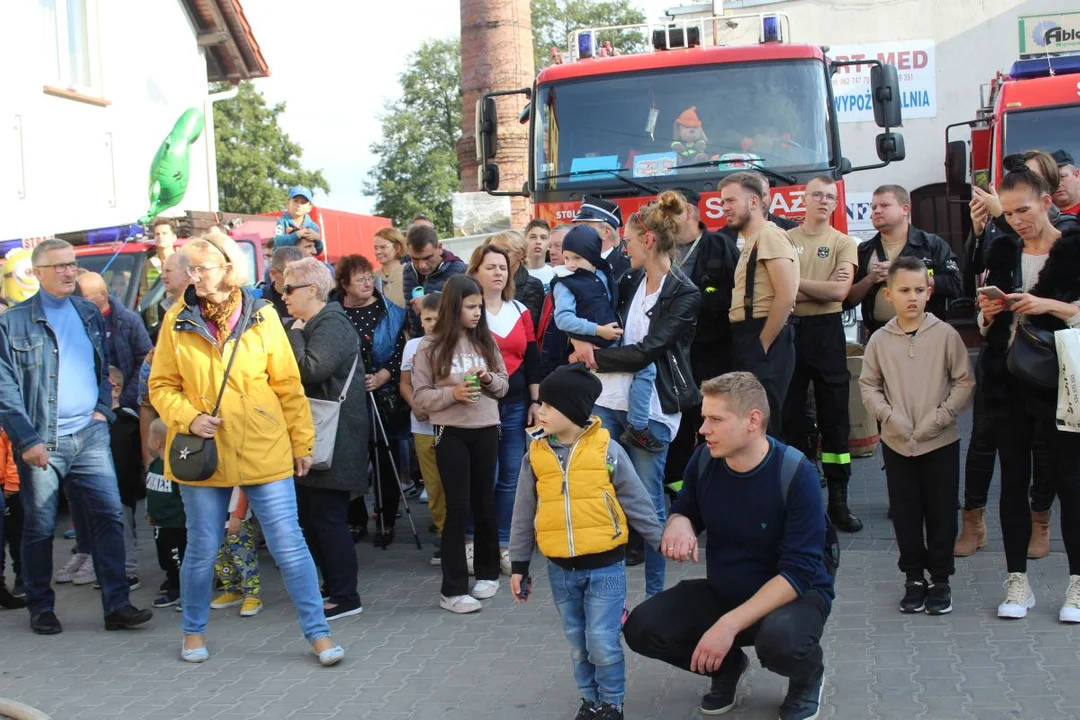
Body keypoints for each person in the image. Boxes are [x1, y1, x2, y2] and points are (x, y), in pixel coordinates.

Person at [148, 233, 342, 665]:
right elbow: (161, 385)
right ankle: (193, 632)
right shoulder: (176, 320)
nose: (195, 276)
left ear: (227, 268)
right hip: (204, 450)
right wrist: (188, 417)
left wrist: (302, 442)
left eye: (203, 267)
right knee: (201, 548)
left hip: (264, 446)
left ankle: (319, 634)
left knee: (290, 545)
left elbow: (288, 384)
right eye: (190, 269)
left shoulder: (262, 314)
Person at [623, 372, 833, 720]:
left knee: (781, 643)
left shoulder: (796, 473)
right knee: (642, 627)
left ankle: (808, 676)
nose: (703, 428)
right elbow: (685, 508)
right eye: (705, 418)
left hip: (793, 595)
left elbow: (798, 574)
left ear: (753, 421)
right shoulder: (705, 459)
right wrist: (679, 525)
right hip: (726, 589)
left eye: (715, 419)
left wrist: (726, 626)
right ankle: (728, 666)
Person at [0, 238, 151, 635]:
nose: (69, 272)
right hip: (42, 441)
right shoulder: (12, 322)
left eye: (71, 265)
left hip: (90, 433)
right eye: (59, 266)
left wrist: (103, 409)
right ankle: (41, 607)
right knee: (39, 525)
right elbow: (5, 389)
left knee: (108, 516)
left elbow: (103, 366)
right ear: (37, 273)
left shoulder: (86, 311)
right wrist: (26, 440)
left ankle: (117, 605)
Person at [508, 363, 664, 720]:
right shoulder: (535, 455)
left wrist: (663, 541)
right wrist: (519, 566)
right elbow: (521, 514)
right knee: (579, 644)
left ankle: (611, 703)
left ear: (574, 410)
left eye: (548, 405)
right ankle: (589, 700)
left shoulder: (607, 450)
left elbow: (637, 502)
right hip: (560, 571)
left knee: (603, 642)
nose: (540, 410)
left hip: (607, 566)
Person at [568, 191, 700, 593]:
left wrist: (593, 360)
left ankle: (656, 594)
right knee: (602, 494)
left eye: (627, 240)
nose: (623, 247)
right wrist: (581, 340)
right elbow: (602, 322)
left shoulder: (685, 292)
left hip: (655, 406)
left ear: (650, 241)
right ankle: (608, 590)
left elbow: (649, 350)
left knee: (648, 504)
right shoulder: (628, 280)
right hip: (609, 399)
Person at [974, 169, 1080, 622]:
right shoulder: (1000, 248)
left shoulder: (1075, 249)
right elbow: (987, 328)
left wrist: (1048, 306)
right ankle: (1017, 582)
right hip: (1008, 380)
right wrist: (987, 312)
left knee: (1071, 483)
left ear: (1046, 201)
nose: (1016, 220)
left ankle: (1077, 585)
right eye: (1010, 211)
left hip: (1061, 382)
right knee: (1013, 481)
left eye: (1024, 209)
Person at [859, 256, 975, 615]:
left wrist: (940, 418)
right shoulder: (879, 340)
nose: (913, 297)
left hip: (940, 440)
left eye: (919, 290)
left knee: (941, 512)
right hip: (897, 442)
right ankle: (913, 577)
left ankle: (940, 579)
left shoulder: (945, 335)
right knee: (907, 514)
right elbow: (869, 385)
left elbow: (964, 381)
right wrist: (887, 416)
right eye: (904, 290)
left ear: (929, 292)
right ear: (888, 294)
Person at [411, 275, 509, 614]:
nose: (477, 312)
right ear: (454, 307)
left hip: (486, 428)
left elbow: (504, 385)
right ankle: (452, 591)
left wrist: (488, 379)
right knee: (457, 508)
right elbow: (421, 397)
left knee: (485, 504)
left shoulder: (486, 340)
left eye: (480, 306)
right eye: (470, 306)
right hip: (449, 432)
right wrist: (452, 394)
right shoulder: (430, 346)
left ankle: (487, 572)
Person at [284, 257, 368, 621]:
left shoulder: (330, 322)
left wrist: (294, 331)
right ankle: (333, 587)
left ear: (313, 290)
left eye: (290, 289)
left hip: (334, 437)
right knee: (314, 516)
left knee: (328, 517)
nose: (283, 296)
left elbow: (310, 368)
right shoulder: (321, 321)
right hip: (322, 435)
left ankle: (346, 596)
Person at [781, 176, 862, 533]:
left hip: (828, 334)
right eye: (818, 194)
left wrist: (794, 284)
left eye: (831, 197)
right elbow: (776, 290)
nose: (824, 201)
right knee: (792, 419)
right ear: (805, 198)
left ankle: (839, 502)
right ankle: (801, 501)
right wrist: (814, 290)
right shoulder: (785, 239)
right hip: (791, 331)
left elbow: (840, 292)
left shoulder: (844, 243)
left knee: (835, 419)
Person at [552, 226, 662, 454]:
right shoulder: (565, 283)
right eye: (566, 258)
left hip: (609, 343)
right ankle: (638, 425)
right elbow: (562, 319)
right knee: (646, 368)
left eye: (577, 258)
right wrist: (596, 331)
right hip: (599, 344)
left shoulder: (604, 274)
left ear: (592, 255)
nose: (571, 264)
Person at [468, 245, 542, 575]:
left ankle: (503, 544)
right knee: (483, 476)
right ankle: (471, 542)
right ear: (475, 272)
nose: (499, 272)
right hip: (476, 406)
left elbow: (532, 359)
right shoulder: (468, 311)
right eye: (491, 267)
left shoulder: (520, 310)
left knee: (511, 478)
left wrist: (536, 401)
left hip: (514, 405)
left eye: (503, 267)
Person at [665, 188, 740, 496]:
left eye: (673, 212)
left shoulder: (720, 246)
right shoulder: (659, 249)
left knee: (716, 424)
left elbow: (736, 297)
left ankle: (725, 492)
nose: (665, 219)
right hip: (671, 358)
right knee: (678, 430)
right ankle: (682, 498)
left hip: (714, 355)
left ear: (692, 213)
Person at [333, 254, 408, 547]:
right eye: (360, 278)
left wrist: (383, 376)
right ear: (344, 284)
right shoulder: (333, 312)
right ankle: (355, 519)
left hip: (384, 396)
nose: (367, 282)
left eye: (369, 277)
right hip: (346, 397)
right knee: (350, 459)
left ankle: (387, 520)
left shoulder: (389, 311)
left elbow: (402, 349)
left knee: (384, 460)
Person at [722, 171, 799, 437]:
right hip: (751, 337)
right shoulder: (753, 240)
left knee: (765, 424)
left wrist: (762, 343)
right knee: (755, 423)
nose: (724, 208)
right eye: (723, 202)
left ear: (754, 202)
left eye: (731, 200)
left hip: (764, 335)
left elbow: (786, 294)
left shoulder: (770, 235)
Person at [847, 184, 961, 339]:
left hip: (926, 334)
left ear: (905, 209)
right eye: (873, 208)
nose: (877, 211)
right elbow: (848, 300)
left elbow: (955, 284)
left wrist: (905, 276)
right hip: (880, 334)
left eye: (885, 205)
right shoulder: (864, 250)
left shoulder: (931, 244)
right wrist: (870, 279)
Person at [400, 294, 447, 566]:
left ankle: (460, 535)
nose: (432, 324)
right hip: (423, 426)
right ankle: (443, 533)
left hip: (450, 423)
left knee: (452, 482)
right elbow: (405, 383)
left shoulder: (454, 345)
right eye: (427, 319)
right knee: (434, 484)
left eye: (437, 319)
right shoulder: (413, 347)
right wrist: (415, 405)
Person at [76, 272, 153, 413]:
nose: (79, 301)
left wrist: (122, 400)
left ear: (103, 294)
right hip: (91, 407)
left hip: (127, 406)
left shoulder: (129, 321)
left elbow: (145, 362)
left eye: (84, 297)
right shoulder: (77, 324)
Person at [108, 365, 145, 588]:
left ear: (116, 389)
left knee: (125, 529)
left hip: (124, 486)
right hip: (105, 484)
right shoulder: (95, 420)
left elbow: (135, 457)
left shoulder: (128, 420)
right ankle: (111, 568)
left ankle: (129, 570)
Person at [145, 418, 187, 610]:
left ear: (156, 443)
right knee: (164, 557)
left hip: (176, 525)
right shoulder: (154, 466)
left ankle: (182, 591)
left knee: (176, 558)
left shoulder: (175, 466)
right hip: (160, 523)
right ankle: (172, 581)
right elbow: (153, 494)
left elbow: (181, 497)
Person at [402, 224, 467, 334]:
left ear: (440, 247)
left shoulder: (459, 270)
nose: (421, 265)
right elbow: (412, 318)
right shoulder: (409, 270)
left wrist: (434, 301)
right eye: (415, 259)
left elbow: (466, 310)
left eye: (427, 258)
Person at [210, 488, 263, 617]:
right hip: (214, 517)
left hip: (237, 516)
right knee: (221, 557)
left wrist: (238, 514)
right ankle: (233, 590)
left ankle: (252, 594)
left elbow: (244, 487)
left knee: (244, 557)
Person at [486, 231, 545, 330]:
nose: (498, 256)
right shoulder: (486, 281)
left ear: (521, 254)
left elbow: (529, 325)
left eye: (505, 252)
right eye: (495, 252)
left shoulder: (532, 285)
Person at [573, 196, 630, 282]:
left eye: (585, 228)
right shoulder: (572, 266)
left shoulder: (629, 269)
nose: (578, 233)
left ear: (606, 233)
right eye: (577, 228)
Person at [143, 251, 191, 343]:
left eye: (168, 271)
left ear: (185, 274)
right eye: (163, 271)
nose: (163, 276)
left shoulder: (195, 308)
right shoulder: (164, 308)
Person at [0, 425, 24, 609]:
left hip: (6, 484)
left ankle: (23, 577)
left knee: (16, 534)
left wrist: (13, 481)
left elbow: (13, 445)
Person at [258, 246, 304, 321]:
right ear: (273, 273)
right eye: (289, 273)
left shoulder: (311, 298)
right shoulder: (258, 301)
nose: (298, 279)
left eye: (303, 273)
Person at [274, 186, 324, 256]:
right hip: (285, 263)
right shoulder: (282, 222)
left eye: (303, 202)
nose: (298, 205)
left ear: (309, 207)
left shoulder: (313, 226)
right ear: (288, 204)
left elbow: (317, 251)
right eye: (295, 201)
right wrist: (297, 235)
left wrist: (318, 239)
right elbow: (277, 242)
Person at [373, 227, 408, 308]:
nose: (378, 252)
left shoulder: (409, 273)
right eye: (376, 248)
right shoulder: (372, 276)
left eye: (383, 247)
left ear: (397, 247)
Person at [524, 219, 555, 290]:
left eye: (543, 238)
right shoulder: (515, 275)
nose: (538, 242)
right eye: (533, 237)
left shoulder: (555, 275)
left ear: (548, 244)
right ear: (525, 241)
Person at [1053, 150, 1080, 216]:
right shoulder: (1041, 215)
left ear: (1077, 175)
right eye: (1052, 179)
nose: (1058, 184)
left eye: (1062, 177)